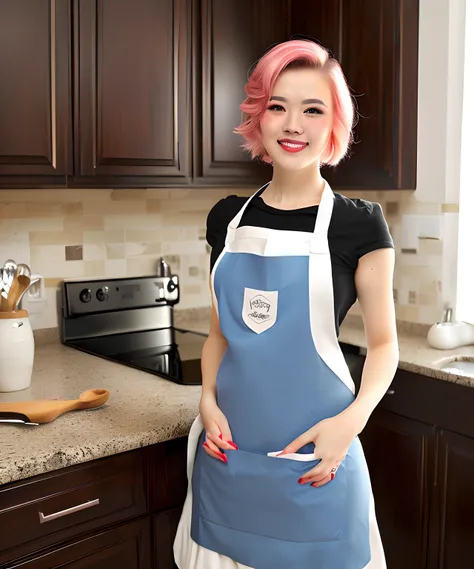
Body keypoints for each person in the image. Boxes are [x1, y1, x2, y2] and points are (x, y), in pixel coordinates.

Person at [174, 39, 399, 569]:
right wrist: (207, 400)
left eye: (312, 109)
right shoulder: (226, 220)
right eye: (278, 106)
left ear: (334, 124)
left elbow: (385, 344)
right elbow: (221, 337)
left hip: (315, 464)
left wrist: (352, 423)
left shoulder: (359, 224)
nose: (292, 124)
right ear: (259, 117)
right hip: (229, 458)